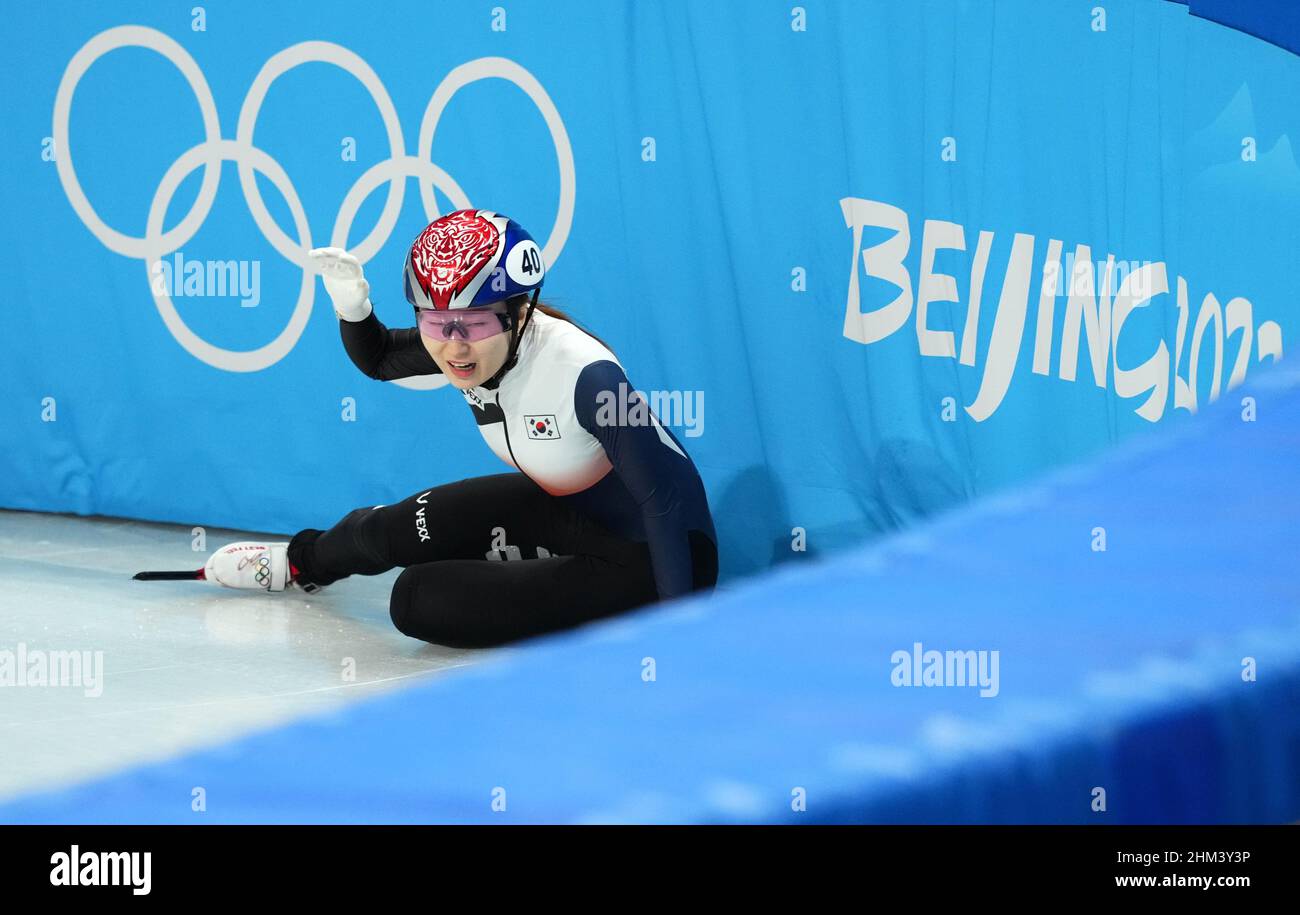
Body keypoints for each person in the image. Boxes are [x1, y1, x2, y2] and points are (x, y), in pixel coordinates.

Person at [201, 208, 718, 648]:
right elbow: (380, 358)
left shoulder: (586, 377)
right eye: (434, 322)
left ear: (519, 313)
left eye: (472, 325)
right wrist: (352, 305)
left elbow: (667, 501)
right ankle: (299, 564)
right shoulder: (464, 342)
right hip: (560, 507)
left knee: (418, 598)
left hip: (649, 555)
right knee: (385, 529)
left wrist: (678, 633)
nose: (453, 347)